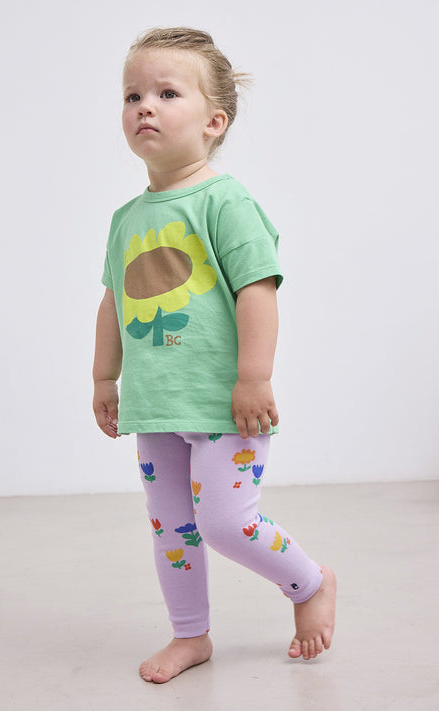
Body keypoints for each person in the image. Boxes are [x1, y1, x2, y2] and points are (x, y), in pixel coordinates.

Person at [92, 26, 336, 684]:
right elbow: (113, 302)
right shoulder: (125, 219)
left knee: (226, 523)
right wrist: (104, 378)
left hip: (227, 405)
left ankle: (309, 582)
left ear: (213, 121)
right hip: (156, 404)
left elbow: (258, 289)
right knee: (172, 530)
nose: (144, 106)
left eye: (166, 93)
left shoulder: (225, 202)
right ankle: (190, 634)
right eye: (132, 95)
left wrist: (253, 377)